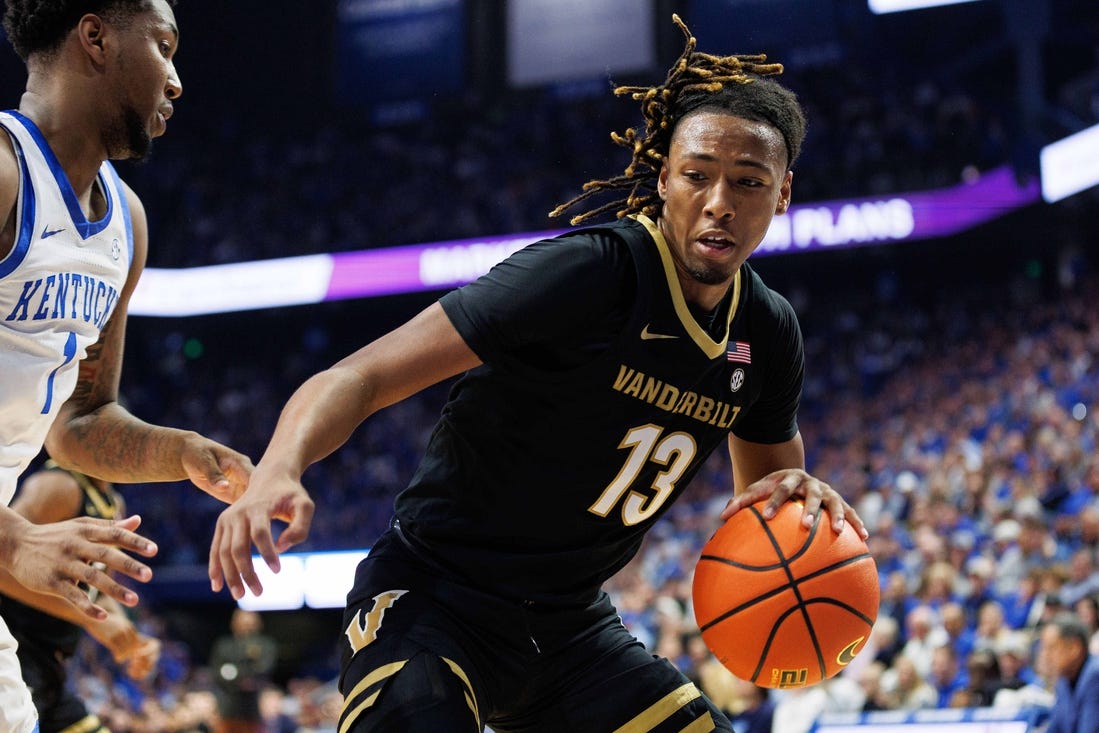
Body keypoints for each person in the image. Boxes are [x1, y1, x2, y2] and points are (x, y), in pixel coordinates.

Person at [209, 14, 867, 732]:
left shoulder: (767, 332)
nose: (718, 202)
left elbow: (767, 512)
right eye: (696, 175)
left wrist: (798, 502)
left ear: (781, 194)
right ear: (662, 179)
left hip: (567, 625)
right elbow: (362, 374)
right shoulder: (587, 273)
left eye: (747, 182)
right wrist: (280, 465)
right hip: (434, 596)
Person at [1, 2, 254, 730]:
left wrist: (182, 452)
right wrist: (17, 541)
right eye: (164, 47)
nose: (175, 81)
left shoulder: (125, 224)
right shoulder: (3, 174)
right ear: (95, 37)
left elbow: (78, 420)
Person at [0, 461, 162, 733]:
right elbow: (3, 567)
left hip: (50, 669)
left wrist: (128, 635)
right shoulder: (58, 486)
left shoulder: (112, 501)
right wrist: (90, 618)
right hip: (16, 659)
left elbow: (96, 589)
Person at [209, 608, 279, 733]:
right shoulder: (224, 645)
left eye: (250, 624)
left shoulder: (266, 645)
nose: (247, 628)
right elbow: (219, 672)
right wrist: (243, 676)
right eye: (243, 623)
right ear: (234, 623)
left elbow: (264, 668)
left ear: (258, 624)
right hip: (228, 706)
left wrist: (236, 671)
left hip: (255, 707)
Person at [1039, 611, 1099, 733]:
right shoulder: (1064, 680)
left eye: (1051, 648)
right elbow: (1054, 728)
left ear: (1074, 648)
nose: (1045, 656)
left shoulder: (1095, 676)